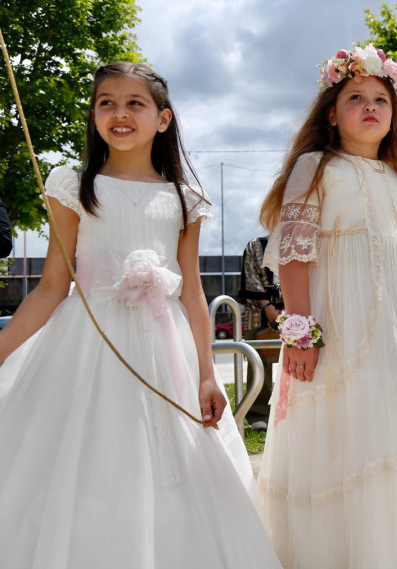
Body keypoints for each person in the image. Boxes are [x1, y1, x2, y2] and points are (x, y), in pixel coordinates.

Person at [0, 62, 281, 568]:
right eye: (106, 102)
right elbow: (48, 290)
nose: (119, 113)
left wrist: (205, 375)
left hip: (164, 348)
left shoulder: (185, 199)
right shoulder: (74, 185)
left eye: (135, 103)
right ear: (93, 115)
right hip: (86, 345)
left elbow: (192, 292)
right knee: (84, 464)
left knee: (175, 466)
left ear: (163, 119)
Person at [255, 45, 397, 569]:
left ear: (394, 113)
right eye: (355, 97)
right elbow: (293, 250)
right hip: (342, 322)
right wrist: (300, 331)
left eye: (380, 98)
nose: (369, 106)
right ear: (332, 115)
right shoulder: (315, 166)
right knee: (354, 428)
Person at [238, 235, 283, 428]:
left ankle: (290, 410)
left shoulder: (299, 241)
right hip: (258, 311)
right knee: (258, 360)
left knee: (299, 355)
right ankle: (259, 414)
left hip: (295, 308)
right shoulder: (256, 245)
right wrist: (268, 306)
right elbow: (251, 276)